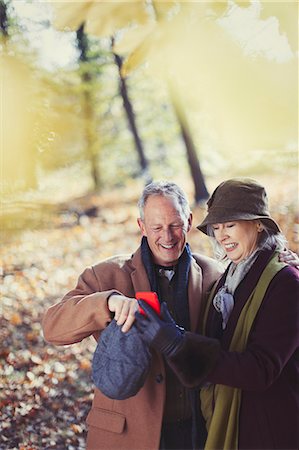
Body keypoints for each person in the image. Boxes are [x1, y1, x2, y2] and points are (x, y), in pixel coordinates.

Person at [42, 181, 223, 450]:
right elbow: (52, 327)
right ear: (141, 227)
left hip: (198, 431)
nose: (168, 236)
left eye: (174, 225)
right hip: (128, 435)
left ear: (188, 221)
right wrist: (107, 302)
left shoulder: (213, 275)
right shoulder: (105, 275)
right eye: (157, 227)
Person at [135, 178, 299, 450]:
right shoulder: (228, 278)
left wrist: (177, 344)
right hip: (231, 424)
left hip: (270, 431)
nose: (222, 236)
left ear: (258, 224)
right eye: (217, 227)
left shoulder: (286, 282)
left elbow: (260, 369)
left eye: (231, 224)